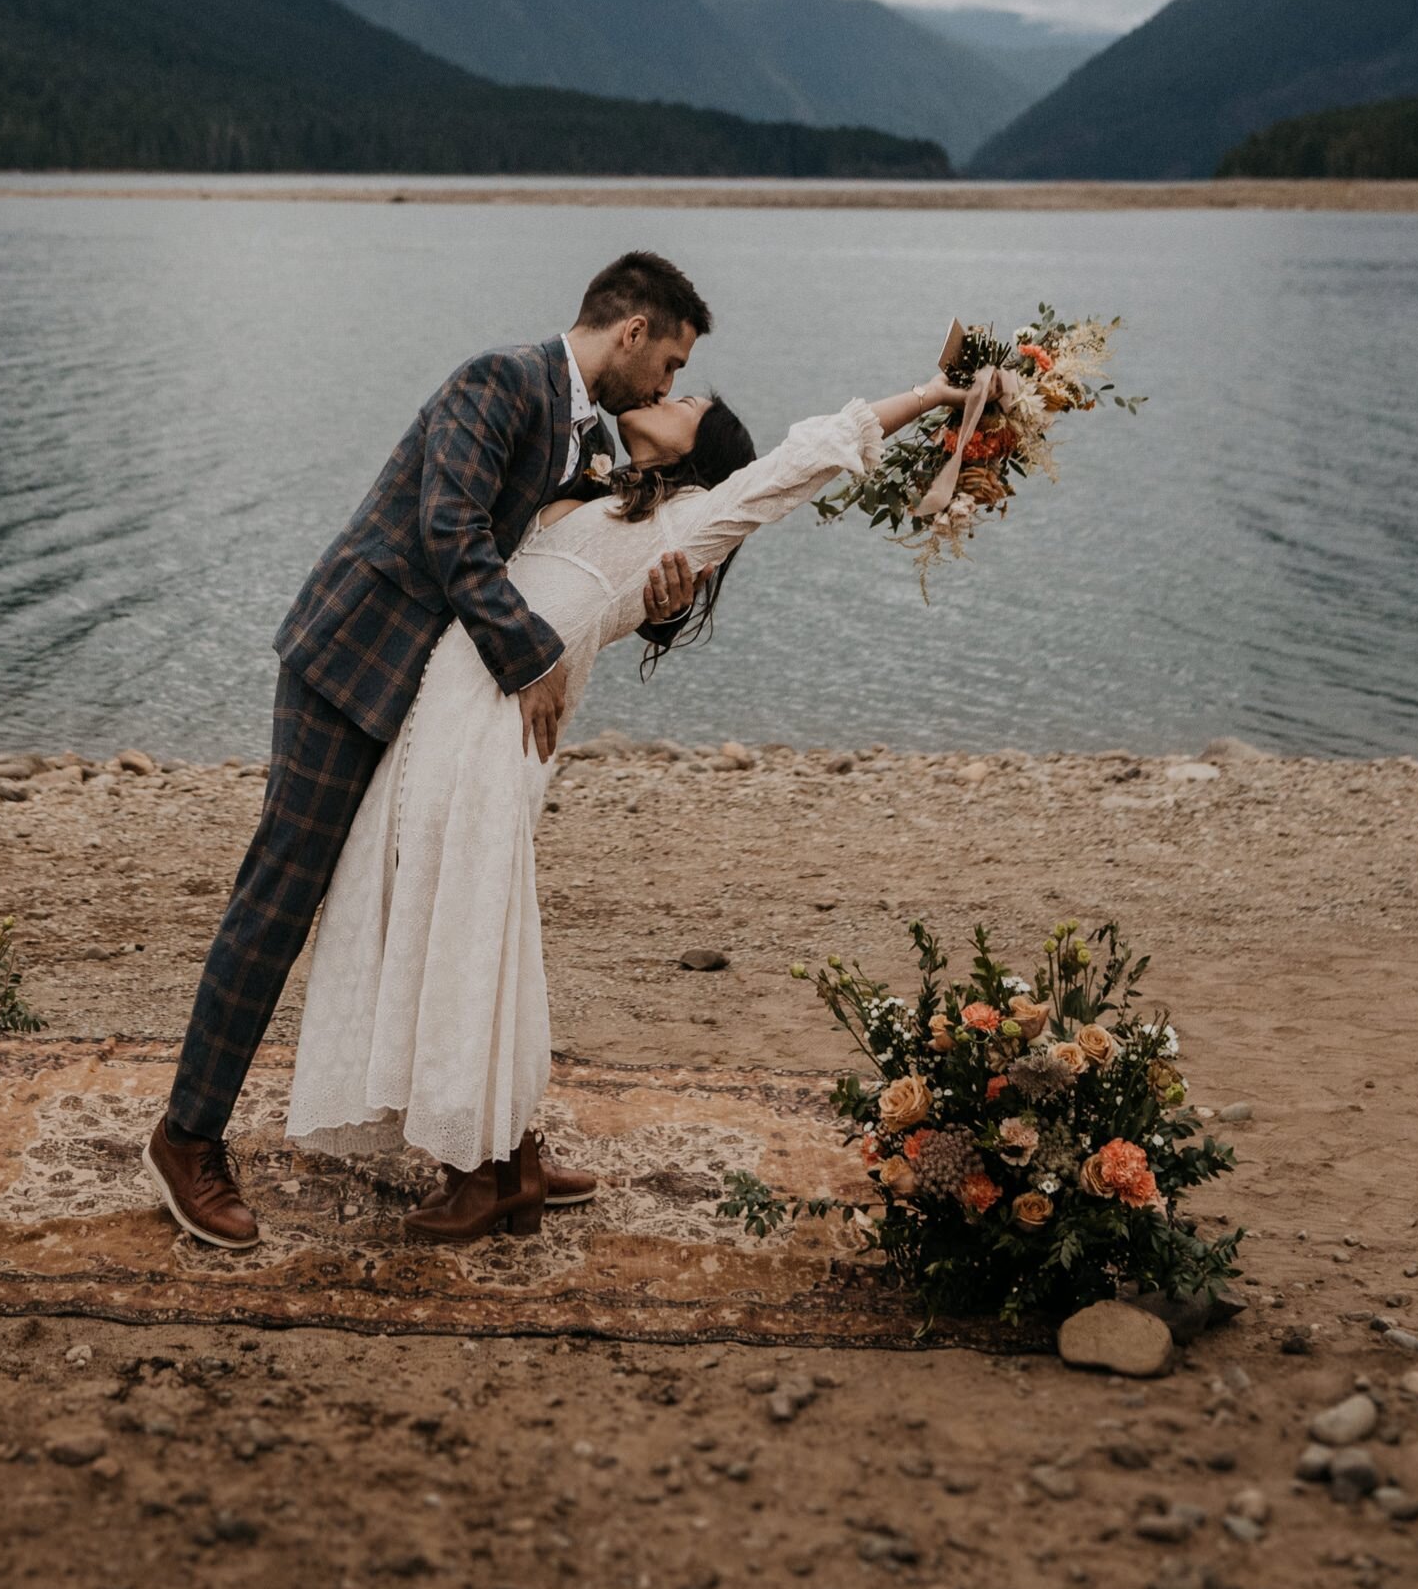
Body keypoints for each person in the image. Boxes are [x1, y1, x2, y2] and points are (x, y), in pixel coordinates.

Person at [283, 359, 970, 1240]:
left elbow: (813, 452)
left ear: (705, 455)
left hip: (499, 718)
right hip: (456, 701)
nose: (671, 395)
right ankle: (514, 1156)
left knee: (463, 921)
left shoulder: (696, 515)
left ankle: (478, 1175)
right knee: (466, 912)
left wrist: (930, 395)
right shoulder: (604, 477)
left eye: (692, 402)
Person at [144, 251, 714, 1248]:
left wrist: (660, 606)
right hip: (350, 668)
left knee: (465, 904)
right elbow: (448, 530)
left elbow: (589, 560)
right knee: (276, 901)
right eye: (667, 363)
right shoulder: (494, 381)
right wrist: (530, 657)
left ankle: (504, 1152)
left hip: (432, 703)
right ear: (630, 332)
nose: (667, 386)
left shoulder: (584, 434)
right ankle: (185, 1139)